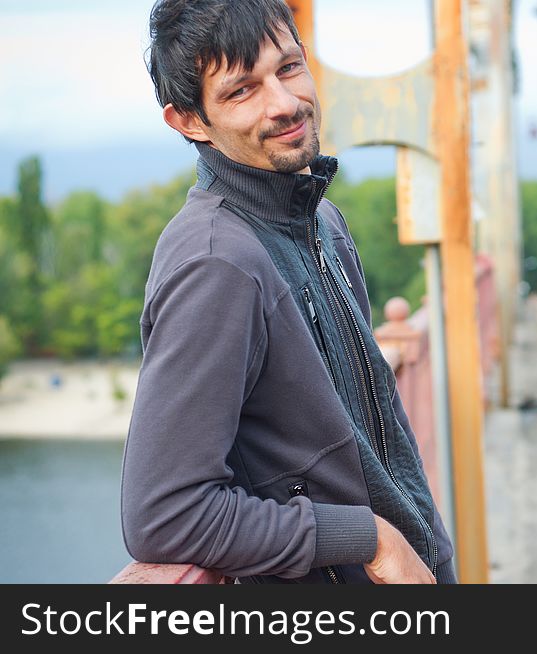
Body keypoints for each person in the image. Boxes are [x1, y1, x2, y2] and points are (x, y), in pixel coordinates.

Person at [121, 0, 456, 584]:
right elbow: (165, 513)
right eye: (241, 90)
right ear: (189, 121)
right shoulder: (217, 263)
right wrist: (369, 537)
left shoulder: (322, 221)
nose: (284, 103)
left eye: (289, 68)